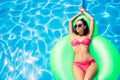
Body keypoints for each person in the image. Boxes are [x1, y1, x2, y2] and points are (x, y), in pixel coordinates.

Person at [69, 6, 98, 80]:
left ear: (84, 27)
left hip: (90, 62)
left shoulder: (88, 36)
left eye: (79, 25)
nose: (77, 27)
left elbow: (92, 20)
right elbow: (70, 21)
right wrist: (79, 13)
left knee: (87, 79)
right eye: (76, 26)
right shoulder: (73, 36)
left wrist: (84, 12)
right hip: (77, 65)